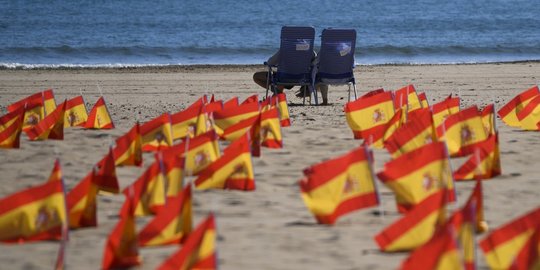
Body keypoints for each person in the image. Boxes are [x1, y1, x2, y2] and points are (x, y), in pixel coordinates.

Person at [253, 50, 329, 105]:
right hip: (302, 79)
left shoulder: (284, 50)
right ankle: (278, 92)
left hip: (283, 78)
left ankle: (277, 92)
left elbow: (270, 63)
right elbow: (314, 66)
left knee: (256, 76)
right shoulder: (311, 53)